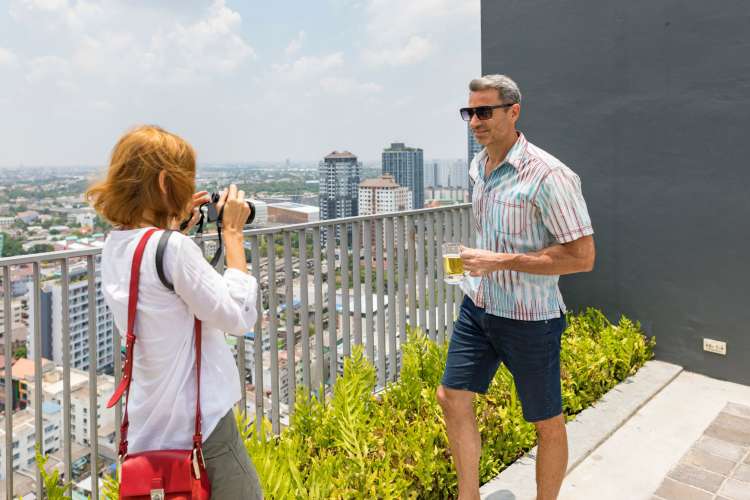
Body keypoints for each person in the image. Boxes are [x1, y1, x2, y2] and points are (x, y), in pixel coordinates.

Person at [437, 75, 596, 500]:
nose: (474, 122)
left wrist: (501, 261)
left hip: (529, 319)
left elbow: (583, 257)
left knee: (547, 422)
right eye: (469, 112)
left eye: (484, 111)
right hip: (478, 307)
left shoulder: (549, 176)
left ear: (513, 111)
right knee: (451, 397)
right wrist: (479, 264)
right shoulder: (479, 167)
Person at [87, 125, 264, 499]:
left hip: (148, 428)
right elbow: (239, 315)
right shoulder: (172, 251)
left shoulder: (116, 245)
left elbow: (160, 299)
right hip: (200, 429)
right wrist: (233, 234)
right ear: (166, 181)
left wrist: (171, 227)